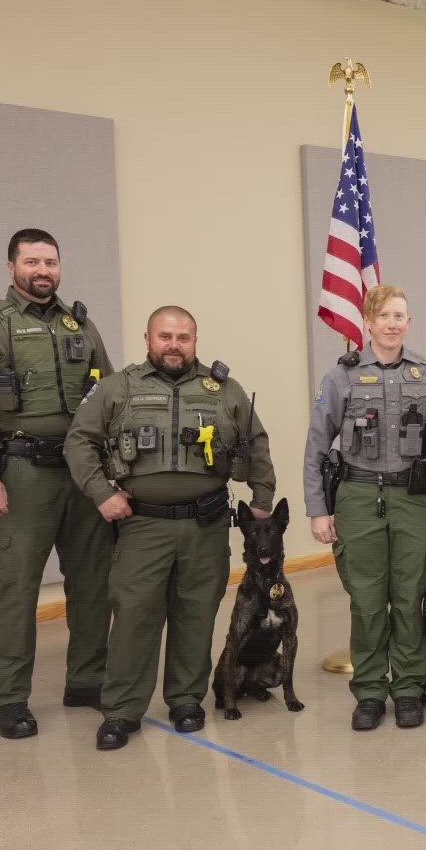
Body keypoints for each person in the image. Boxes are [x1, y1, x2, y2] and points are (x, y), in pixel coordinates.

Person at [64, 306, 274, 751]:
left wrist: (262, 498)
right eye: (165, 336)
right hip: (144, 526)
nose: (174, 345)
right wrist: (102, 494)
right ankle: (121, 710)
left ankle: (186, 700)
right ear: (148, 338)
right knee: (134, 618)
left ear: (195, 341)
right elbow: (79, 440)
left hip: (207, 524)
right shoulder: (119, 387)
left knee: (196, 615)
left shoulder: (225, 390)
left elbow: (256, 444)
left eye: (183, 337)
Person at [0, 228, 115, 740]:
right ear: (12, 266)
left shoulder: (80, 325)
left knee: (92, 585)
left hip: (83, 474)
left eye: (51, 262)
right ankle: (12, 699)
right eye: (32, 261)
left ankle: (86, 680)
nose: (43, 271)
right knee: (17, 589)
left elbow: (108, 396)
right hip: (19, 476)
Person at [303, 286, 426, 731]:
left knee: (409, 597)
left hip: (415, 499)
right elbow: (317, 445)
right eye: (385, 316)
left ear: (409, 324)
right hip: (357, 498)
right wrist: (319, 509)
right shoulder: (342, 378)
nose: (393, 323)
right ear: (368, 323)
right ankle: (371, 691)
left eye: (401, 316)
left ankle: (409, 688)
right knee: (368, 600)